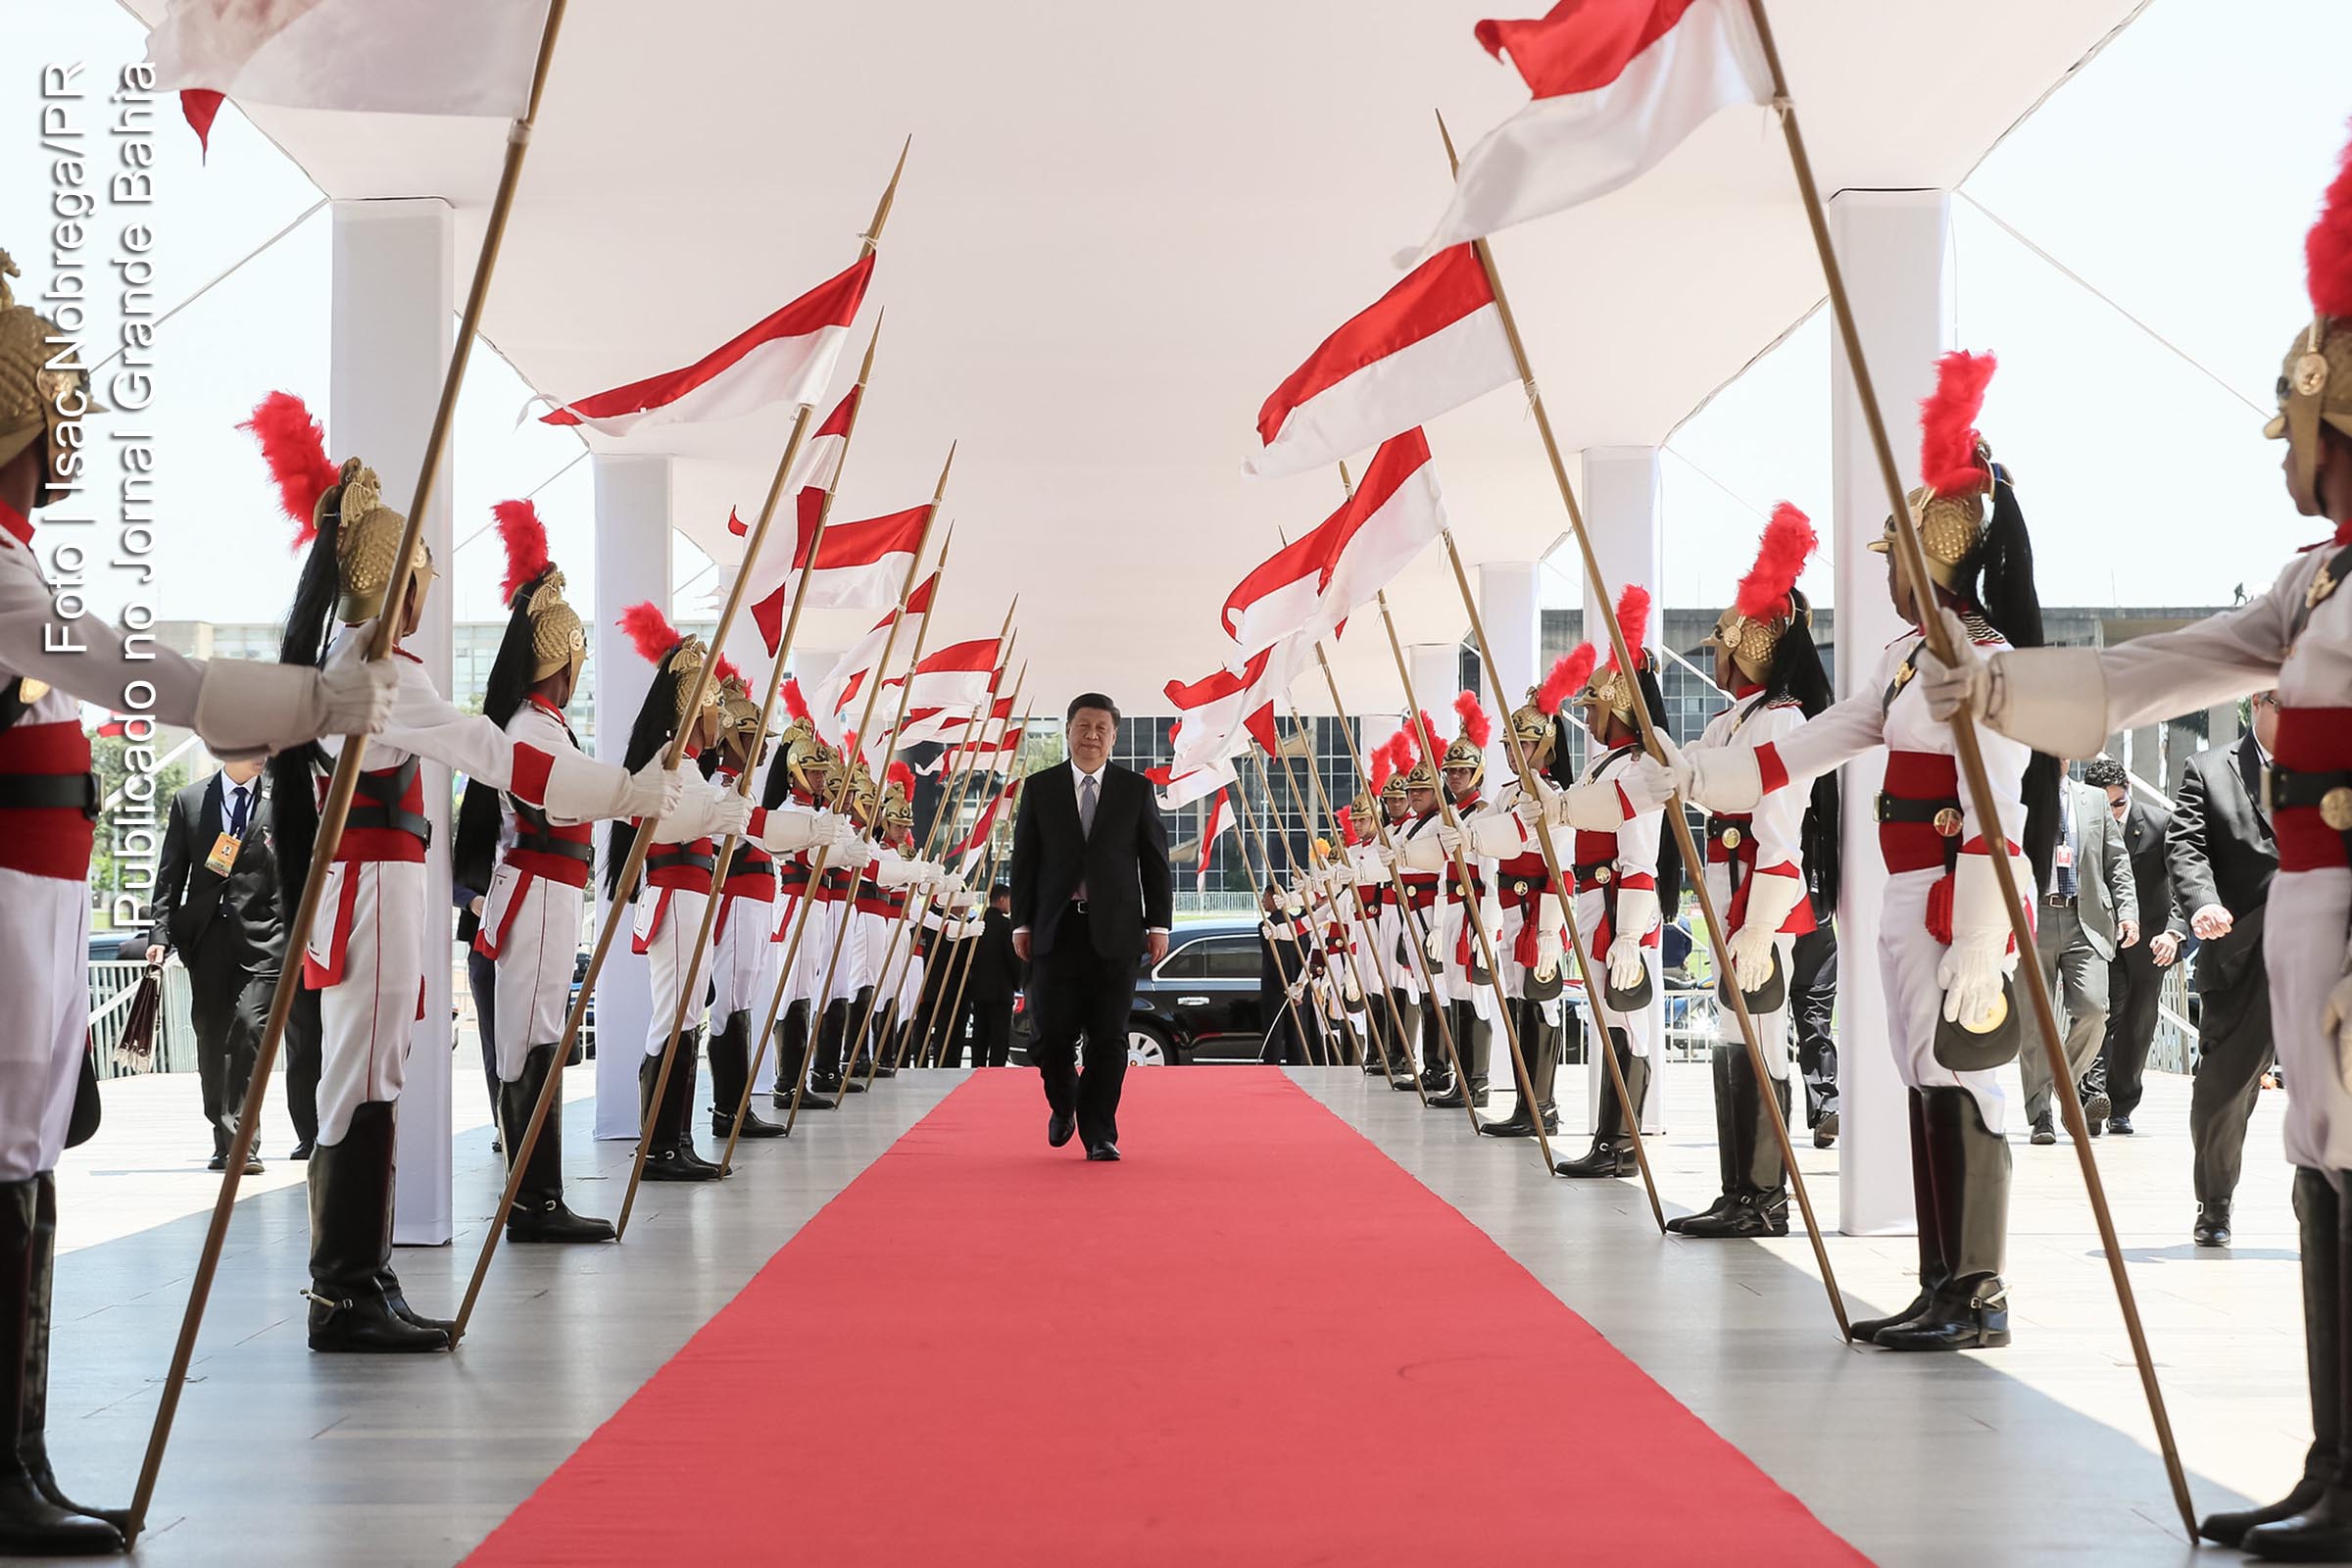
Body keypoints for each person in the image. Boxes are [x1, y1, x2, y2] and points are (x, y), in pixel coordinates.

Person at [1913, 178, 2346, 1542]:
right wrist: (2000, 695)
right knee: (2324, 1158)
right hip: (2312, 919)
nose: (2292, 448)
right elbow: (2155, 674)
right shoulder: (2318, 584)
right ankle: (2338, 1468)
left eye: (2306, 423)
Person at [1, 267, 398, 1554]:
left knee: (25, 1166)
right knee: (7, 1165)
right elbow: (142, 675)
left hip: (35, 906)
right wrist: (312, 702)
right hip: (9, 902)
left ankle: (21, 1457)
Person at [264, 397, 678, 1353]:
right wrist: (622, 788)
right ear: (400, 587)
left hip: (385, 889)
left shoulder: (378, 664)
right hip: (370, 889)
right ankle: (343, 1289)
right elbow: (499, 757)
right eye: (420, 583)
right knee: (363, 1076)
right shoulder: (377, 668)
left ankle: (365, 1276)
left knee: (379, 1072)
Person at [1676, 350, 2055, 1352]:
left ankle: (1979, 1291)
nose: (1884, 569)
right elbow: (1815, 744)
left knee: (1964, 1075)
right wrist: (1708, 779)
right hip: (1906, 894)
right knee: (1922, 1071)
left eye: (1893, 552)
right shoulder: (1899, 664)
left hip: (1957, 902)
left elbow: (1998, 809)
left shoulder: (1984, 661)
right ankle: (1943, 1280)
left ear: (1937, 547)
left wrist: (1981, 938)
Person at [606, 606, 853, 1182]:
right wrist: (721, 811)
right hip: (674, 892)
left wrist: (807, 827)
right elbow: (664, 817)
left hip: (695, 894)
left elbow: (755, 825)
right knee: (677, 1015)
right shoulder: (673, 765)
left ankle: (677, 1138)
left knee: (691, 1011)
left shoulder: (693, 768)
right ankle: (664, 1144)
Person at [450, 500, 624, 1242]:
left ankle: (540, 1195)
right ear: (564, 662)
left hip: (553, 890)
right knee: (531, 1039)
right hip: (538, 889)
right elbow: (559, 798)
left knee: (541, 1034)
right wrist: (630, 788)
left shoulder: (544, 725)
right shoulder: (529, 727)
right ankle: (532, 1202)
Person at [1671, 504, 1838, 1235]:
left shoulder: (1783, 720)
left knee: (1766, 1041)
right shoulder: (1729, 722)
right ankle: (1738, 1188)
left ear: (1750, 649)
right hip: (1728, 902)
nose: (1714, 657)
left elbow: (1781, 837)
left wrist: (1760, 923)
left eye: (1723, 647)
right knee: (1733, 1039)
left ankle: (1767, 1198)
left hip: (1760, 907)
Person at [1554, 589, 1684, 1180]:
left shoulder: (1636, 767)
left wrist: (1630, 933)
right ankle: (1611, 1137)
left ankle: (1621, 1142)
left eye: (1594, 707)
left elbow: (1640, 857)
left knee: (1625, 1024)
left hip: (1618, 904)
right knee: (1609, 1021)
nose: (1586, 715)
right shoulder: (1606, 764)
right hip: (1595, 898)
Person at [1008, 693, 1171, 1161]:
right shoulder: (1040, 789)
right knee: (1050, 1037)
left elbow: (1155, 863)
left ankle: (1100, 1133)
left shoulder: (1135, 790)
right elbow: (1026, 861)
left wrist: (1158, 924)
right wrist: (1021, 923)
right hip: (1055, 932)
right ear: (1068, 731)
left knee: (1108, 1037)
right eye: (1084, 727)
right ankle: (1064, 1103)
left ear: (1114, 737)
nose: (1092, 736)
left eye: (1102, 728)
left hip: (1116, 933)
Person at [2170, 705, 2280, 1249]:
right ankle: (2215, 1203)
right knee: (2222, 1088)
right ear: (2260, 703)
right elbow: (2186, 846)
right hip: (2242, 948)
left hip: (2330, 946)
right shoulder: (2209, 768)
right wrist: (2202, 904)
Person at [148, 757, 279, 1174]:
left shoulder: (280, 801)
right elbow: (171, 873)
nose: (262, 752)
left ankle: (243, 1141)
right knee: (211, 1036)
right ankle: (223, 1140)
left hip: (264, 938)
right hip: (206, 938)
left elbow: (297, 872)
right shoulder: (189, 801)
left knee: (248, 1028)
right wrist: (160, 934)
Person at [2020, 767, 2135, 1143]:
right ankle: (2041, 1115)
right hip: (2034, 915)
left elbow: (2116, 861)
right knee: (2035, 1020)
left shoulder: (2095, 799)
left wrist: (2128, 912)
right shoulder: (2019, 791)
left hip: (2084, 917)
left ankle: (2062, 1082)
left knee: (2093, 1009)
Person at [2083, 756, 2184, 1137]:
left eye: (2119, 803)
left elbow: (2181, 883)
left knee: (2139, 1022)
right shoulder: (2080, 825)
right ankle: (2092, 1094)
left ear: (2128, 794)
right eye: (2103, 805)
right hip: (2099, 935)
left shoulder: (2159, 824)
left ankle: (2121, 1105)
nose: (2112, 812)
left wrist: (2174, 932)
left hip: (2150, 938)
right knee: (2098, 1012)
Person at [960, 884, 1020, 1067]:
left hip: (978, 990)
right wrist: (1018, 982)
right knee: (999, 1040)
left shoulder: (975, 925)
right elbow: (1013, 958)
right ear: (1002, 899)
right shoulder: (1006, 926)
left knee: (980, 1036)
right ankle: (996, 1072)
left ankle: (977, 1069)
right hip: (1001, 991)